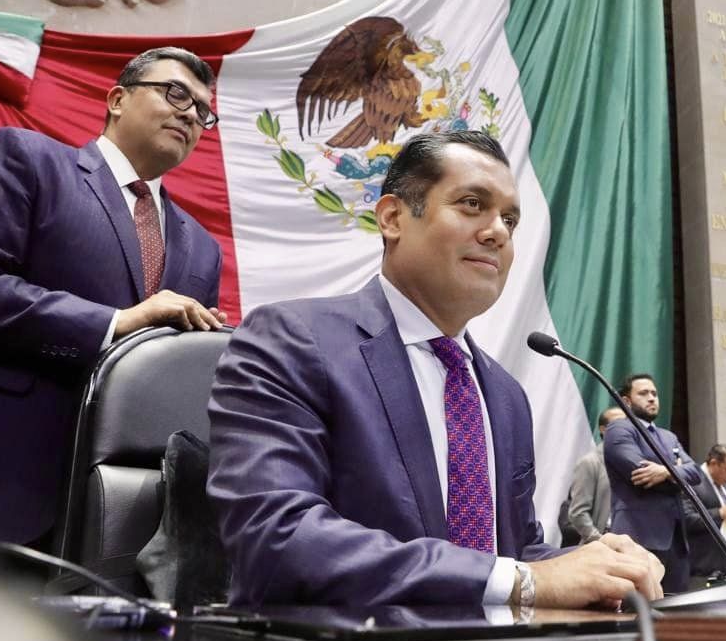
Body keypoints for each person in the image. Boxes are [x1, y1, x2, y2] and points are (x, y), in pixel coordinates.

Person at [206, 130, 664, 609]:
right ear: (393, 218)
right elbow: (277, 536)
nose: (498, 232)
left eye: (510, 219)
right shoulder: (291, 341)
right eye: (472, 204)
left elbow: (513, 554)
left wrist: (603, 568)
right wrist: (528, 580)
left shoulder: (506, 395)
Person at [0, 47, 227, 547]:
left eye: (203, 110)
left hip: (101, 522)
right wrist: (114, 323)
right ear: (117, 99)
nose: (191, 114)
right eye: (175, 93)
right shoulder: (27, 158)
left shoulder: (203, 249)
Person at [603, 373, 704, 594]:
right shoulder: (619, 429)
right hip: (639, 537)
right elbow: (640, 475)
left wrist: (665, 471)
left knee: (676, 609)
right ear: (626, 401)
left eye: (654, 393)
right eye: (643, 393)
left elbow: (696, 473)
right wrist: (677, 474)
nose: (651, 398)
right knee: (639, 608)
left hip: (676, 542)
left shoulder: (669, 437)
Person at [682, 443, 726, 587]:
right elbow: (687, 520)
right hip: (701, 571)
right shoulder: (692, 482)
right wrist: (720, 513)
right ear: (714, 463)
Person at [559, 406, 624, 545]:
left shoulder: (632, 462)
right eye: (618, 424)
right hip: (601, 544)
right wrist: (599, 541)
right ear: (603, 429)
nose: (624, 429)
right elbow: (578, 512)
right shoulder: (590, 462)